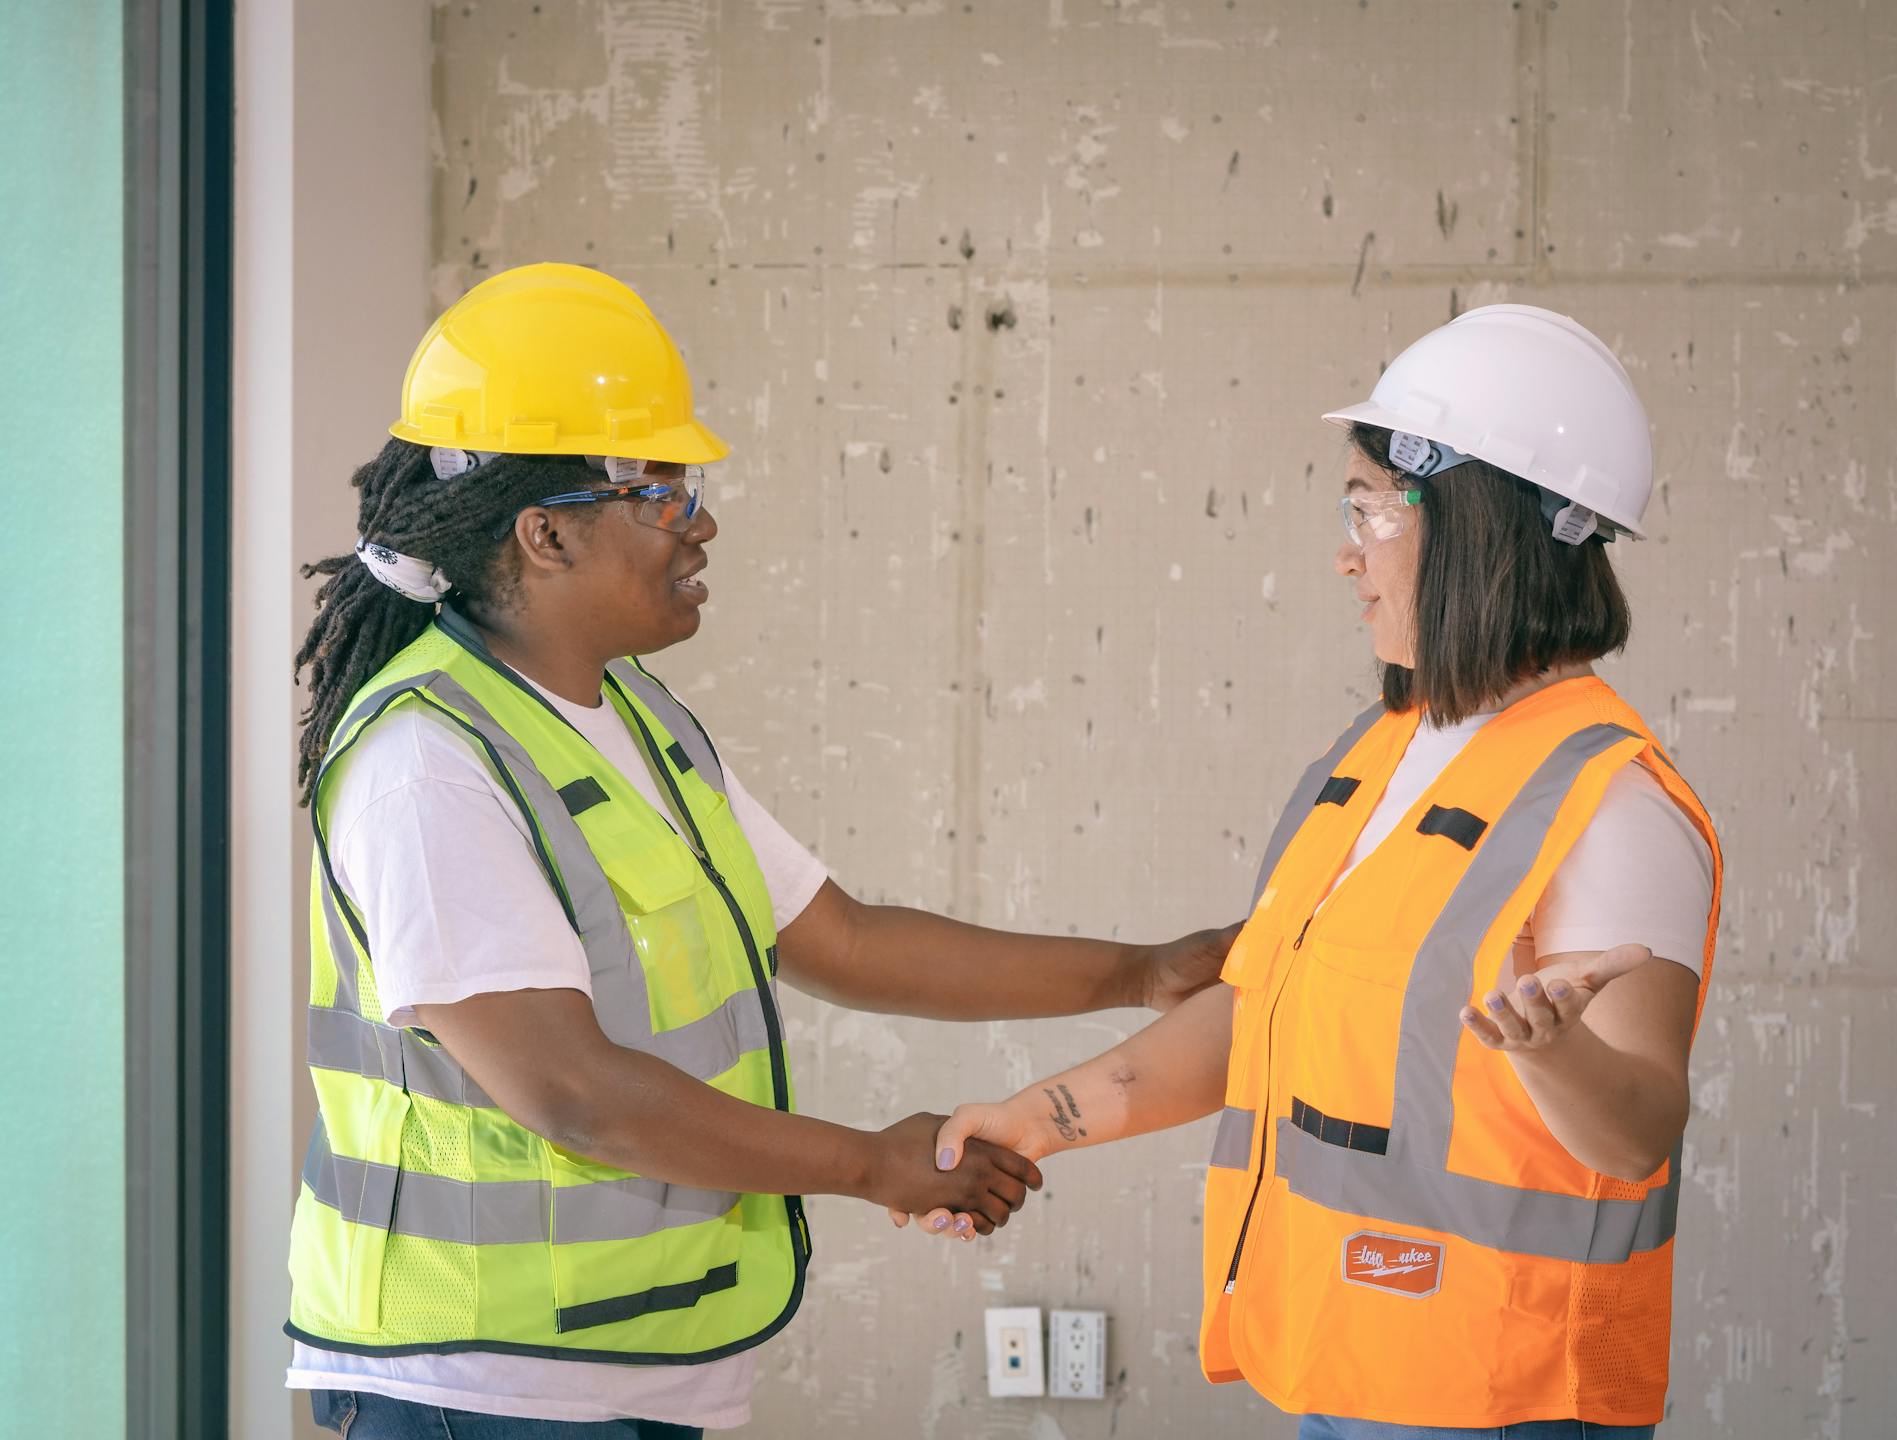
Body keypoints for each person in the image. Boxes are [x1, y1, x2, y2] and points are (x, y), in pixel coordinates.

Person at [285, 262, 1237, 1439]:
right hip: (490, 1387)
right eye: (663, 493)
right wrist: (867, 1164)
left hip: (637, 1358)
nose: (703, 522)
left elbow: (842, 939)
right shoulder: (429, 763)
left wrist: (1142, 972)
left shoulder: (634, 721)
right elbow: (572, 1094)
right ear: (544, 535)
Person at [918, 306, 1721, 1439]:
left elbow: (1636, 1129)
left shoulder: (1610, 803)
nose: (1345, 550)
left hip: (1502, 1397)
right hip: (1349, 1367)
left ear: (1476, 524)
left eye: (1367, 511)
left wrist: (1555, 1051)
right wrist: (1039, 1120)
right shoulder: (1385, 749)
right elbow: (1260, 1014)